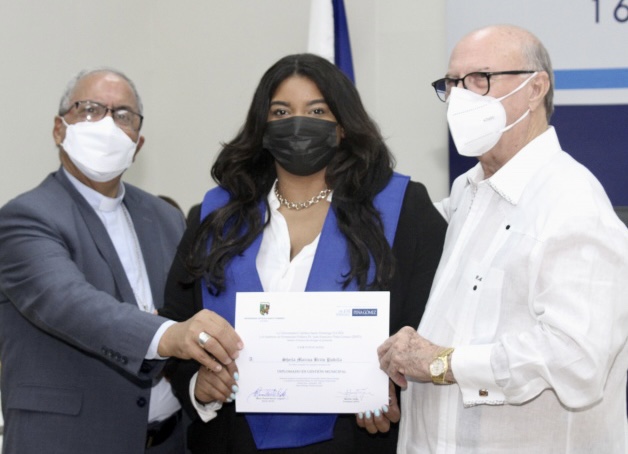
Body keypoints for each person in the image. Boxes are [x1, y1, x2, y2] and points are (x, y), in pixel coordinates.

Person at [159, 53, 447, 453]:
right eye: (281, 112)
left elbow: (437, 321)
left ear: (343, 125)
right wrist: (197, 385)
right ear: (262, 128)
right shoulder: (216, 215)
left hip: (358, 440)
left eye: (317, 111)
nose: (298, 124)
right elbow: (176, 322)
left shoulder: (402, 208)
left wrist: (395, 382)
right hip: (230, 440)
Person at [377, 24, 628, 453]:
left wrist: (443, 363)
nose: (461, 97)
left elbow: (577, 360)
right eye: (453, 83)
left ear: (536, 89)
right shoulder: (466, 193)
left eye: (481, 79)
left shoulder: (573, 204)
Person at [0, 68, 243, 454]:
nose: (107, 124)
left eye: (123, 115)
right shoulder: (24, 218)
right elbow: (69, 303)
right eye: (90, 109)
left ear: (137, 143)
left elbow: (188, 307)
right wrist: (169, 336)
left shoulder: (166, 218)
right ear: (59, 129)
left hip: (168, 441)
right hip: (68, 442)